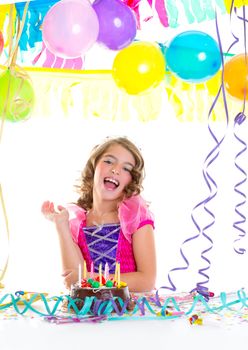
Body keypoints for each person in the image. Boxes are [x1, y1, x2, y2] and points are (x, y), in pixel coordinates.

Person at [41, 136, 156, 292]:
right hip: (90, 313)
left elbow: (146, 281)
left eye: (126, 168)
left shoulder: (136, 217)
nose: (115, 169)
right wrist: (61, 225)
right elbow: (73, 281)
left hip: (130, 312)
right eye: (109, 161)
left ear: (131, 180)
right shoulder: (78, 222)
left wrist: (89, 278)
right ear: (94, 167)